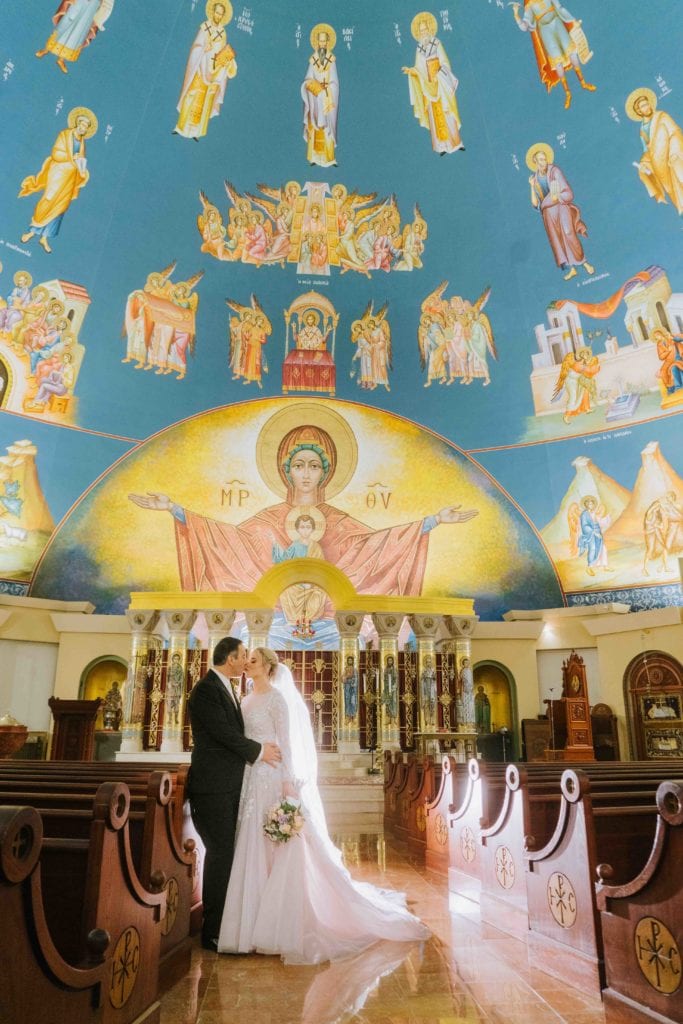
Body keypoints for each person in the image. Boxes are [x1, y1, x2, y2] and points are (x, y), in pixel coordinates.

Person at [218, 648, 430, 962]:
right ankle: (248, 923)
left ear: (267, 666)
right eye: (246, 660)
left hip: (274, 777)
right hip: (252, 777)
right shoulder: (245, 699)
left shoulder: (277, 699)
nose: (246, 665)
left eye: (253, 661)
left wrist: (289, 780)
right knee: (253, 842)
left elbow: (287, 742)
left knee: (280, 845)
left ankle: (281, 924)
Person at [128, 419, 478, 599]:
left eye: (314, 466)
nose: (306, 474)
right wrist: (175, 509)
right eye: (299, 465)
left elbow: (376, 547)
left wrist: (431, 522)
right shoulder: (265, 522)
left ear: (326, 472)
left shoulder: (340, 522)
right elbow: (229, 542)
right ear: (286, 470)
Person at [186, 636, 281, 951]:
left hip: (230, 785)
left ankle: (226, 923)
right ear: (229, 658)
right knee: (221, 853)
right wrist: (259, 752)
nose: (245, 661)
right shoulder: (206, 691)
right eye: (242, 655)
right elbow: (223, 733)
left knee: (227, 854)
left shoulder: (228, 688)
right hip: (212, 786)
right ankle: (212, 931)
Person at [19, 107, 97, 253]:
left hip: (70, 178)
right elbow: (56, 153)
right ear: (77, 124)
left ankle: (44, 238)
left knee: (60, 207)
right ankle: (31, 231)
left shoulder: (82, 143)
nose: (83, 129)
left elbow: (81, 160)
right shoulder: (65, 135)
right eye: (82, 125)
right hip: (58, 174)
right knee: (48, 200)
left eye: (86, 127)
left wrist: (80, 166)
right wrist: (71, 159)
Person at [526, 143, 594, 280]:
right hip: (548, 214)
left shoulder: (555, 171)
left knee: (569, 234)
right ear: (535, 162)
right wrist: (532, 187)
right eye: (540, 159)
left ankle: (585, 263)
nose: (544, 162)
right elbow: (535, 205)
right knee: (557, 241)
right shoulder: (535, 179)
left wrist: (557, 198)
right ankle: (572, 269)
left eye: (545, 159)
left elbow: (568, 193)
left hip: (561, 208)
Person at [510, 0, 595, 109]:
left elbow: (559, 8)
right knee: (558, 62)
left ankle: (583, 83)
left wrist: (573, 21)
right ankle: (567, 93)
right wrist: (516, 14)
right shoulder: (529, 4)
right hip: (545, 31)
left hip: (557, 23)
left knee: (572, 53)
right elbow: (525, 26)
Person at [402, 12, 463, 155]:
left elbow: (445, 62)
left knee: (446, 112)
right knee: (434, 117)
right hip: (428, 85)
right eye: (421, 31)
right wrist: (411, 71)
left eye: (425, 30)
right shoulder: (419, 49)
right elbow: (419, 68)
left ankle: (455, 143)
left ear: (430, 30)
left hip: (441, 83)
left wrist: (439, 74)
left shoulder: (436, 43)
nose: (423, 33)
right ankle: (441, 146)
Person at [175, 0, 236, 140]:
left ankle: (197, 131)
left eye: (221, 14)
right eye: (217, 12)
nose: (218, 16)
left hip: (213, 71)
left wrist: (225, 60)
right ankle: (182, 126)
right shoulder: (205, 27)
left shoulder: (222, 33)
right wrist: (203, 49)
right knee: (193, 95)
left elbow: (221, 51)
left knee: (205, 101)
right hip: (200, 68)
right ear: (212, 12)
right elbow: (195, 47)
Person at [626, 88, 683, 216]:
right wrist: (644, 165)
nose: (647, 107)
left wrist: (674, 152)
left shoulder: (662, 116)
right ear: (639, 111)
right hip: (660, 166)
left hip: (674, 158)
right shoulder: (642, 131)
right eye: (643, 106)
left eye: (647, 104)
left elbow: (675, 133)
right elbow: (648, 151)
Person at [35, 0, 114, 74]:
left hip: (90, 10)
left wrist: (98, 20)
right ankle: (46, 50)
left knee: (77, 34)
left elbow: (107, 5)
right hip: (78, 5)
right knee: (64, 26)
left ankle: (61, 59)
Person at [301, 24, 339, 168]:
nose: (322, 44)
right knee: (315, 126)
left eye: (324, 42)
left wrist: (328, 89)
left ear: (327, 43)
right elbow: (308, 79)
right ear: (316, 43)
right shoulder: (313, 60)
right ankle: (314, 157)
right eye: (320, 42)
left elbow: (335, 82)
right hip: (315, 99)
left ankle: (328, 158)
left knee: (326, 127)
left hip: (327, 98)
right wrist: (311, 86)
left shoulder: (331, 60)